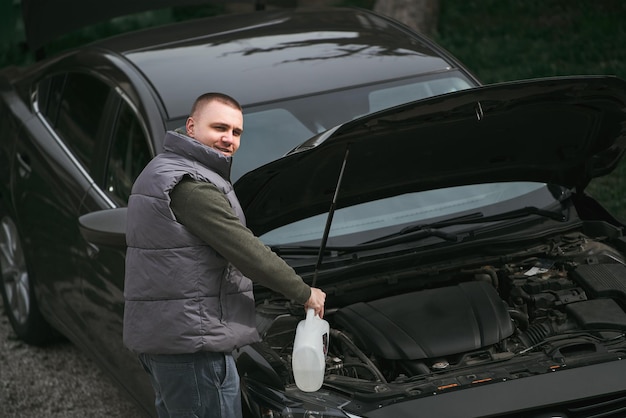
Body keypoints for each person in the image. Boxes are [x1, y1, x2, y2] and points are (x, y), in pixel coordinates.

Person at [123, 92, 326, 418]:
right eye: (219, 127)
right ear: (191, 126)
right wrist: (304, 293)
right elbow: (247, 251)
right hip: (194, 348)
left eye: (236, 132)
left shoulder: (165, 169)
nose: (229, 139)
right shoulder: (192, 187)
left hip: (172, 341)